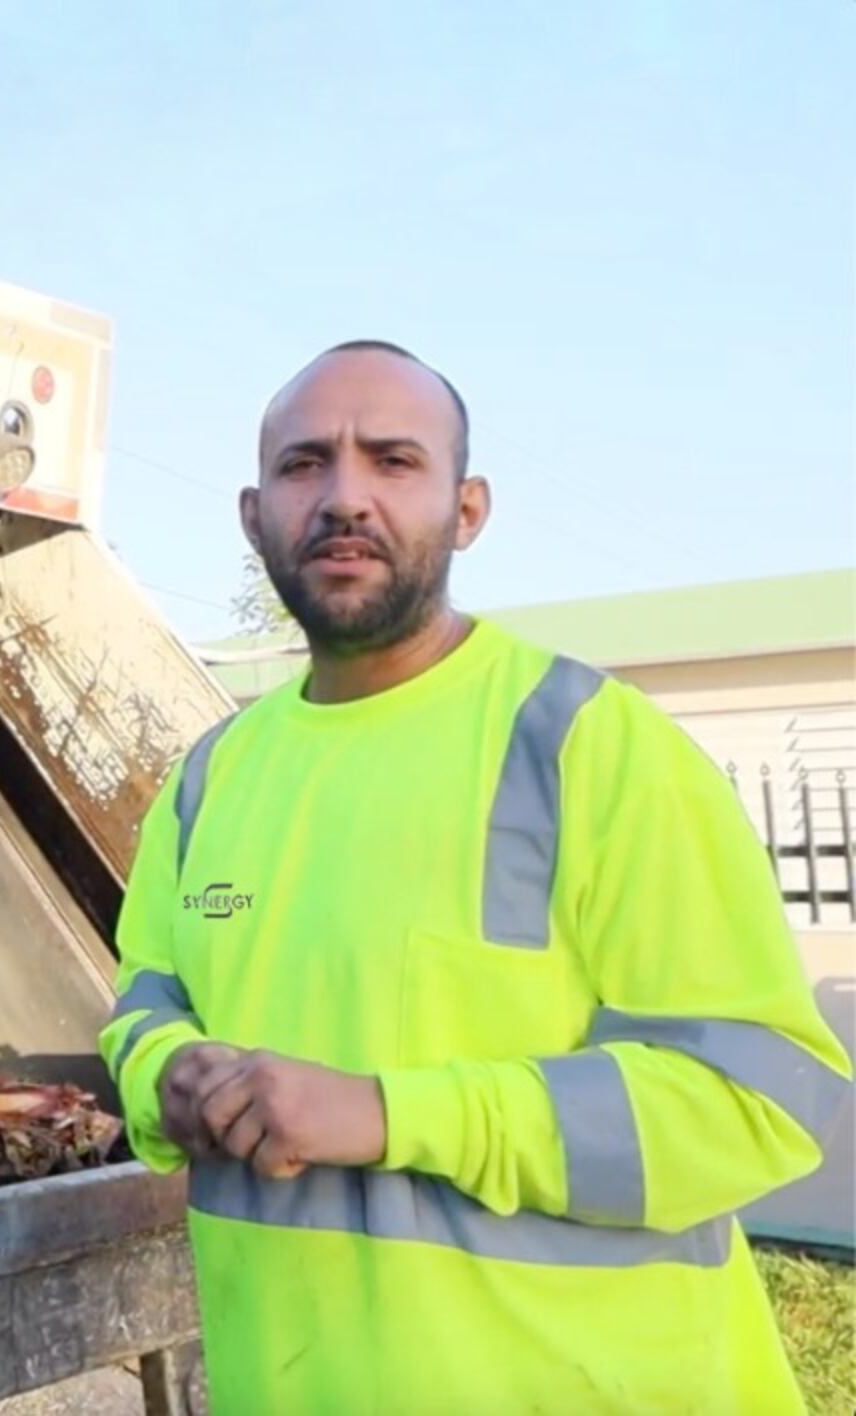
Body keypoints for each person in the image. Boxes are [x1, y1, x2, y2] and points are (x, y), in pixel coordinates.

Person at [102, 340, 851, 1412]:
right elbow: (144, 1003)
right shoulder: (209, 778)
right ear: (252, 515)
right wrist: (162, 1076)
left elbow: (756, 1096)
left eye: (393, 461)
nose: (344, 496)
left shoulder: (590, 746)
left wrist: (390, 1113)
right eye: (304, 464)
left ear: (466, 510)